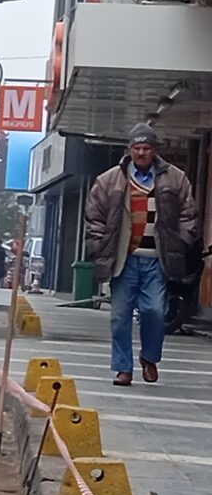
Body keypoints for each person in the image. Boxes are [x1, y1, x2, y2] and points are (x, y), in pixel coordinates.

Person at [85, 122, 198, 387]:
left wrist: (179, 242)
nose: (142, 153)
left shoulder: (175, 178)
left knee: (155, 311)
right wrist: (101, 246)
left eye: (147, 148)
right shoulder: (109, 180)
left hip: (156, 260)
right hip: (124, 260)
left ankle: (149, 357)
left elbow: (188, 215)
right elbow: (94, 217)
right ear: (129, 150)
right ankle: (123, 368)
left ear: (155, 150)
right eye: (137, 148)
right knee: (120, 316)